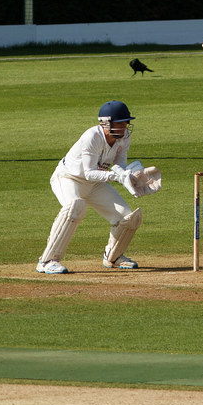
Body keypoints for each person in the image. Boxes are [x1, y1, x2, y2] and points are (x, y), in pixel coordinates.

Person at [37, 100, 146, 274]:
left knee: (127, 217)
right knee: (75, 207)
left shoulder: (124, 137)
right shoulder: (92, 136)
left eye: (126, 122)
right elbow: (89, 172)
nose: (124, 126)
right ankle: (47, 261)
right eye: (119, 123)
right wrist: (116, 177)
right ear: (105, 123)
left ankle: (113, 256)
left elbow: (119, 165)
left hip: (95, 184)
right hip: (68, 178)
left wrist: (131, 178)